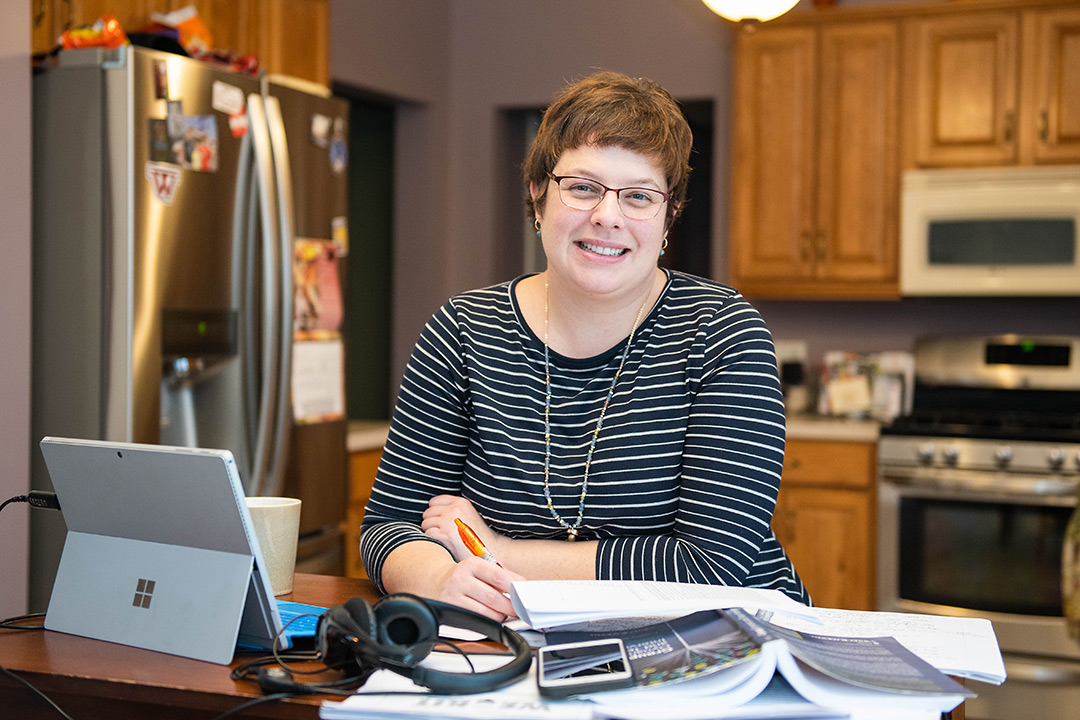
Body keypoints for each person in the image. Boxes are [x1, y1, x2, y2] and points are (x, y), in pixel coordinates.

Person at [360, 71, 808, 620]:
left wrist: (503, 555)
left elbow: (711, 565)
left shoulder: (722, 333)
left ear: (669, 217)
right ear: (538, 197)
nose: (607, 216)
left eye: (639, 196)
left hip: (723, 642)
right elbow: (389, 525)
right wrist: (441, 578)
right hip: (517, 634)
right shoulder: (463, 329)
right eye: (582, 187)